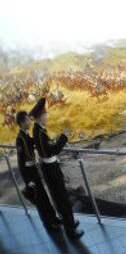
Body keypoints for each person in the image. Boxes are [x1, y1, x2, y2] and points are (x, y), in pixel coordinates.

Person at [30, 98, 84, 239]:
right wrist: (64, 136)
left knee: (60, 197)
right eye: (45, 114)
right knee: (62, 198)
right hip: (50, 168)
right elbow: (52, 151)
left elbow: (47, 149)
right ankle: (70, 230)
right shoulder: (40, 133)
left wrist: (58, 139)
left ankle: (69, 222)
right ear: (40, 117)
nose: (47, 117)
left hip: (49, 168)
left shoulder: (38, 130)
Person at [15, 111, 61, 233]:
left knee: (44, 197)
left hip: (34, 171)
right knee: (40, 202)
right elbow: (21, 163)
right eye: (27, 120)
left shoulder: (26, 136)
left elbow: (36, 142)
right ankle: (47, 225)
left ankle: (54, 219)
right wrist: (27, 181)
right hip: (30, 175)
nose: (29, 122)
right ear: (21, 122)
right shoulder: (20, 139)